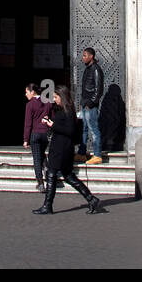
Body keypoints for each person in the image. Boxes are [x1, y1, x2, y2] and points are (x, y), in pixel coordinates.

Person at [34, 85, 102, 215]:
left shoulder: (68, 111)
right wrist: (49, 122)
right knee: (68, 175)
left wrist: (53, 125)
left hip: (62, 148)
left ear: (62, 96)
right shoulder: (60, 110)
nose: (54, 100)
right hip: (59, 146)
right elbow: (60, 126)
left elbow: (69, 130)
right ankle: (91, 199)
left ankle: (47, 205)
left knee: (52, 174)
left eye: (56, 97)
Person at [23, 83, 53, 192]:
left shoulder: (30, 105)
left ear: (32, 92)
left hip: (35, 133)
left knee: (36, 158)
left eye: (27, 92)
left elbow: (28, 123)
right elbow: (52, 116)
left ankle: (40, 182)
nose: (25, 94)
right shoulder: (48, 102)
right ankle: (48, 172)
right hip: (45, 133)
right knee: (41, 153)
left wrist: (26, 139)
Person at [79, 48, 104, 164]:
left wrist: (91, 103)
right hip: (85, 103)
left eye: (85, 55)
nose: (83, 58)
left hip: (90, 105)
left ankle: (97, 154)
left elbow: (98, 89)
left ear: (91, 56)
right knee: (83, 129)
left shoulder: (96, 70)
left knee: (93, 129)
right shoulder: (87, 69)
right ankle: (82, 153)